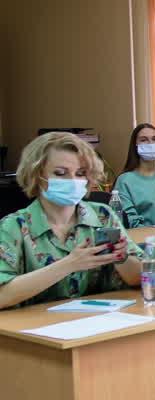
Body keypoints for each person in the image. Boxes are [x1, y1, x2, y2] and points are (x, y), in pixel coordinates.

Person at [0, 131, 143, 311]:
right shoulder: (14, 227)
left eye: (81, 173)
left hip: (98, 324)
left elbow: (143, 277)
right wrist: (69, 264)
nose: (73, 180)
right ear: (36, 175)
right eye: (60, 173)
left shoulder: (102, 216)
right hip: (34, 331)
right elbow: (2, 295)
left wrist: (121, 259)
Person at [113, 123, 155, 227]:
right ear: (135, 145)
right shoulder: (125, 181)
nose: (151, 144)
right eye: (144, 140)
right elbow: (128, 222)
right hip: (145, 240)